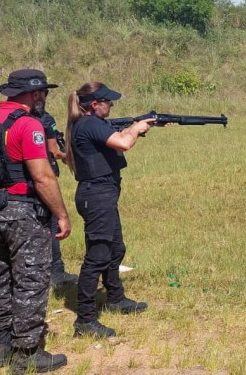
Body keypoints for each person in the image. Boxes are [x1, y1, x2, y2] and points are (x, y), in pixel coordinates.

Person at [0, 69, 71, 373]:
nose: (44, 97)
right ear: (34, 94)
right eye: (43, 92)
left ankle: (0, 343)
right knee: (31, 279)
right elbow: (43, 177)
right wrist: (61, 214)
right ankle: (26, 351)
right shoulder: (28, 124)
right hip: (23, 211)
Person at [64, 81, 153, 339]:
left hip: (103, 195)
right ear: (95, 104)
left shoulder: (91, 124)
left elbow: (116, 137)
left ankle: (115, 298)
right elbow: (124, 143)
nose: (111, 105)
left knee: (116, 249)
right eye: (108, 101)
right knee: (97, 256)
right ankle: (85, 320)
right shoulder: (90, 124)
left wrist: (139, 127)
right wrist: (136, 129)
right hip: (97, 196)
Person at [38, 109, 80, 286]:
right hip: (45, 177)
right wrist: (70, 156)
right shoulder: (45, 118)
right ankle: (56, 272)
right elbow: (54, 151)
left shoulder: (17, 118)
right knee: (54, 225)